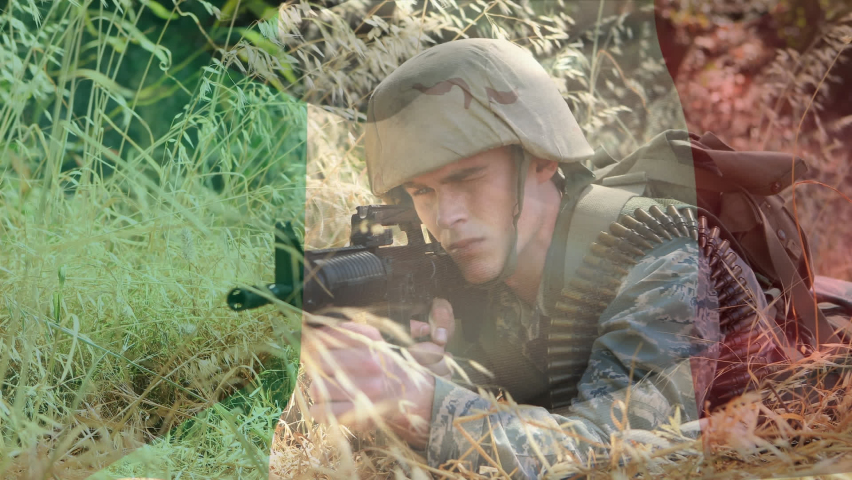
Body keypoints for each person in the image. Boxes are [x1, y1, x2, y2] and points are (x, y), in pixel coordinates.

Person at [300, 38, 763, 478]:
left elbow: (620, 454)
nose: (447, 217)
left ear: (543, 161)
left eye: (468, 179)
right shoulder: (477, 275)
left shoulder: (658, 261)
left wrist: (427, 405)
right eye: (423, 191)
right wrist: (440, 375)